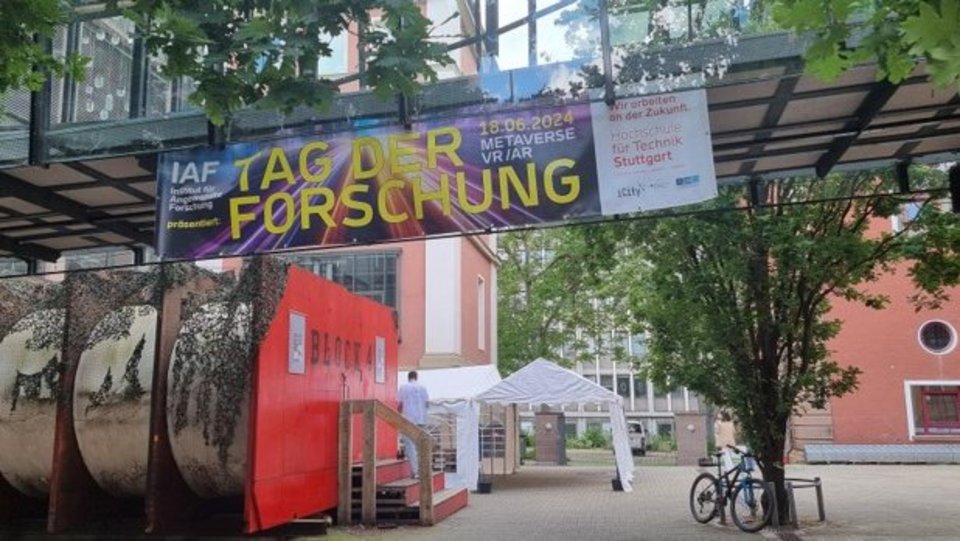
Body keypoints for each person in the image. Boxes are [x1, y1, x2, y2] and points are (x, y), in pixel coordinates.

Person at [397, 370, 429, 478]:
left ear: (408, 377)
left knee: (410, 446)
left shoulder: (403, 387)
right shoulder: (423, 388)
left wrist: (399, 415)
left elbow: (399, 405)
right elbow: (427, 404)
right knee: (421, 446)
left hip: (408, 419)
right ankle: (423, 470)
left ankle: (415, 472)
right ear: (416, 377)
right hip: (421, 420)